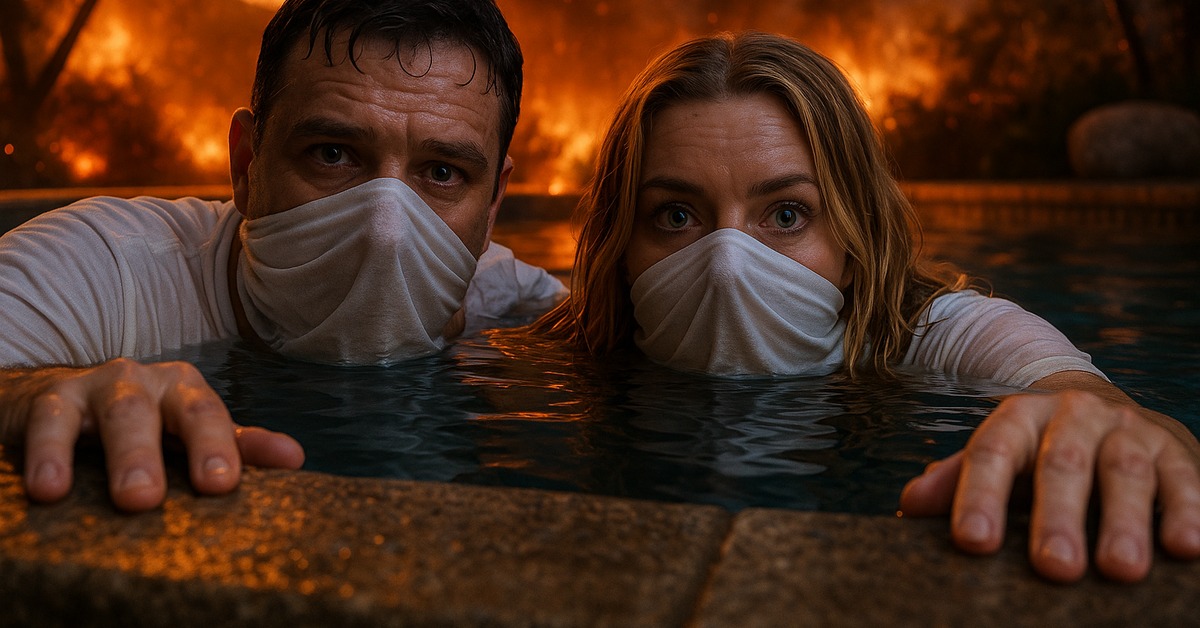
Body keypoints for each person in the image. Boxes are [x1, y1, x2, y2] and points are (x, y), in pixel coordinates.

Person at [530, 31, 1200, 583]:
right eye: (675, 214)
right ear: (621, 245)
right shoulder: (560, 337)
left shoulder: (930, 333)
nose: (728, 264)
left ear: (852, 242)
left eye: (786, 214)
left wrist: (1102, 433)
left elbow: (1086, 397)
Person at [0, 0, 565, 512]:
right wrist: (28, 394)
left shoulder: (517, 306)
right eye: (333, 154)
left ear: (492, 205)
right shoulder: (105, 265)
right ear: (246, 165)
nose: (386, 231)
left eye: (443, 172)